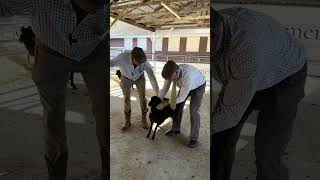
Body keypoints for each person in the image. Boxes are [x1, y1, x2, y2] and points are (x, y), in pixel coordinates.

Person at [1, 1, 108, 179]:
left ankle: (108, 170)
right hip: (51, 49)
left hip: (94, 50)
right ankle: (56, 173)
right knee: (53, 115)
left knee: (105, 111)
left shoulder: (105, 7)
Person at [211, 7, 307, 180]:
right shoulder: (213, 29)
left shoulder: (245, 50)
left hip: (285, 77)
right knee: (220, 140)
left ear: (214, 34)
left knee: (268, 151)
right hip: (243, 72)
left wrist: (202, 129)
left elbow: (230, 114)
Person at [157, 60, 206, 148]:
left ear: (176, 72)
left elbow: (181, 98)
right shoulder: (171, 73)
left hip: (198, 86)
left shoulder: (188, 77)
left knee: (194, 111)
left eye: (171, 78)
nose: (170, 80)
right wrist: (158, 100)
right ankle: (175, 129)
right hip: (185, 86)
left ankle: (194, 138)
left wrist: (165, 103)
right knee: (177, 107)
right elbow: (165, 89)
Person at [110, 47, 159, 130]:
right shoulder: (122, 57)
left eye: (142, 62)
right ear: (132, 57)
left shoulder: (145, 62)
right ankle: (127, 121)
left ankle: (144, 119)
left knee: (143, 98)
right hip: (125, 78)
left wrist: (157, 93)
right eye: (138, 62)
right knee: (126, 98)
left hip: (140, 78)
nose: (140, 64)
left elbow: (152, 77)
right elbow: (110, 63)